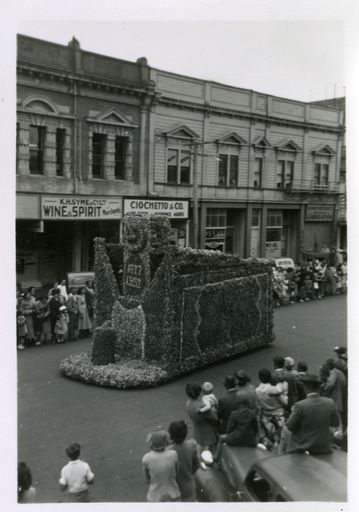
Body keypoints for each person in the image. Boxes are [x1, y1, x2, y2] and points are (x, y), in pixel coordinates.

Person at [286, 375, 340, 454]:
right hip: (324, 447)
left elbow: (290, 426)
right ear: (318, 388)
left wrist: (292, 412)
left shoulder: (300, 405)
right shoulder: (330, 402)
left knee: (284, 433)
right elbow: (336, 423)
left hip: (303, 448)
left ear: (305, 388)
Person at [214, 396, 259, 461]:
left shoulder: (234, 414)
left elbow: (229, 429)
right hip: (250, 440)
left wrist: (230, 434)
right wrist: (254, 436)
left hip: (236, 438)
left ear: (239, 404)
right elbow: (256, 427)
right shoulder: (252, 413)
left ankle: (216, 457)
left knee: (221, 438)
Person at [142, 428, 180, 502]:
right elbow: (176, 472)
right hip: (173, 493)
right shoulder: (173, 454)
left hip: (154, 495)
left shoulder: (146, 458)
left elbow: (147, 479)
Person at [168, 420, 200, 502]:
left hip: (174, 486)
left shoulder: (168, 450)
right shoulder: (192, 444)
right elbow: (196, 464)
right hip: (188, 483)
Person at [256, 368, 287, 452]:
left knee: (270, 437)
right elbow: (284, 403)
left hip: (266, 416)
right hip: (278, 415)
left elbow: (259, 405)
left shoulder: (257, 390)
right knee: (281, 437)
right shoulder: (274, 389)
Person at [185, 383, 218, 453]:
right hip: (208, 435)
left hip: (197, 432)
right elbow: (215, 419)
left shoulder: (188, 404)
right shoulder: (202, 406)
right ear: (199, 393)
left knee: (199, 452)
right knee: (210, 454)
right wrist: (213, 408)